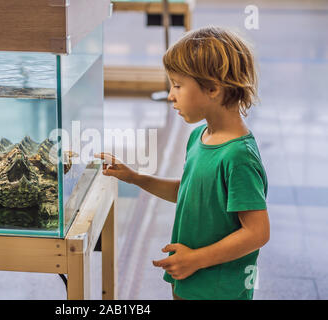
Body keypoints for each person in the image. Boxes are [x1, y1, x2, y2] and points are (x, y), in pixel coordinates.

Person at [94, 26, 270, 300]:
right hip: (190, 275)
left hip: (218, 288)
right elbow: (188, 193)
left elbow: (257, 233)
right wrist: (135, 177)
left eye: (177, 85)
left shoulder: (238, 157)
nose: (170, 95)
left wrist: (196, 259)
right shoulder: (200, 137)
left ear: (212, 87)